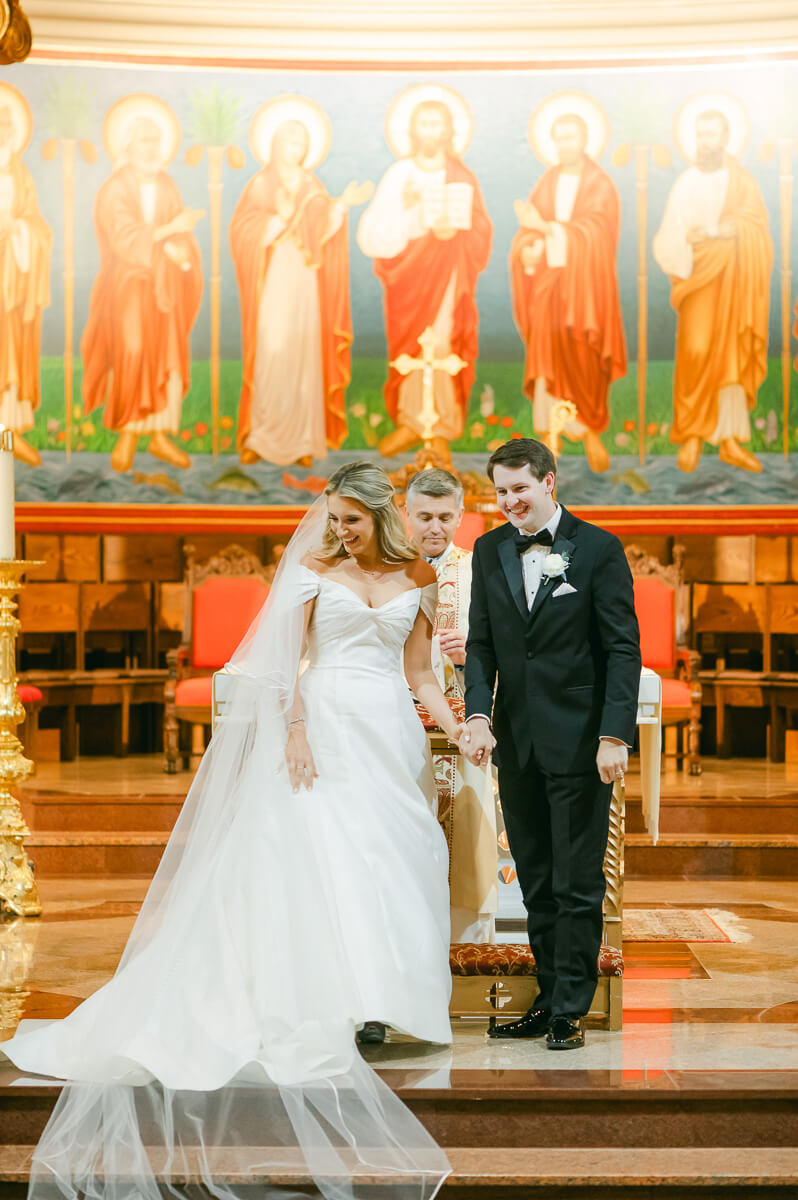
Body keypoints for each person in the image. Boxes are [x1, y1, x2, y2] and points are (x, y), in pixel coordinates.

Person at [1, 461, 457, 1200]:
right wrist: (296, 731)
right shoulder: (312, 569)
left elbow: (422, 675)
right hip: (322, 730)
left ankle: (387, 1001)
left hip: (387, 735)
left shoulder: (419, 580)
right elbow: (281, 667)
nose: (337, 529)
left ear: (382, 514)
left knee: (392, 857)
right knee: (319, 858)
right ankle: (331, 1000)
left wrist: (461, 730)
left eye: (351, 519)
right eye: (333, 517)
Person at [461, 438, 640, 1049]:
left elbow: (621, 648)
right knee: (535, 879)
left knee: (576, 881)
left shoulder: (598, 549)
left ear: (549, 483)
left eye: (520, 489)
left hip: (584, 741)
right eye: (501, 491)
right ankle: (546, 994)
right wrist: (478, 716)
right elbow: (480, 644)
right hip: (517, 740)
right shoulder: (488, 551)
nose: (510, 501)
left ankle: (572, 1008)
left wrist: (614, 732)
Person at [356, 98, 492, 460]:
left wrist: (456, 234)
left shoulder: (461, 177)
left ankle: (440, 427)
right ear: (412, 131)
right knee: (410, 349)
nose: (431, 131)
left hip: (448, 273)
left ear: (449, 131)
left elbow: (481, 229)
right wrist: (406, 206)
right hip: (407, 278)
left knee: (441, 344)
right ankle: (410, 422)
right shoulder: (400, 174)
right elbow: (372, 234)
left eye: (437, 123)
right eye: (424, 123)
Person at [230, 118, 369, 468]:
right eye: (289, 141)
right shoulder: (261, 184)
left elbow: (323, 230)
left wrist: (342, 205)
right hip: (273, 276)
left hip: (305, 279)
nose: (295, 149)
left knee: (303, 355)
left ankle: (302, 441)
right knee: (271, 352)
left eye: (300, 143)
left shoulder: (311, 185)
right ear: (275, 144)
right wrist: (275, 221)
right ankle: (260, 437)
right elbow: (241, 230)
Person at [81, 115, 204, 474]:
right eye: (144, 140)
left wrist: (182, 253)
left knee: (167, 354)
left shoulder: (167, 186)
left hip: (164, 287)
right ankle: (128, 435)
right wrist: (169, 232)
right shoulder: (114, 188)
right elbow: (123, 238)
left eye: (155, 140)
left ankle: (160, 437)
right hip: (127, 284)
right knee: (132, 351)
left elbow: (178, 234)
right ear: (128, 147)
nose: (151, 148)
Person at [405, 467, 497, 943]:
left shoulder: (481, 569)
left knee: (467, 841)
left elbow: (504, 646)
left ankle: (467, 946)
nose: (434, 527)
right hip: (401, 721)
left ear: (461, 515)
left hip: (463, 719)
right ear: (406, 514)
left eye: (444, 516)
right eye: (424, 516)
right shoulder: (387, 570)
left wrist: (471, 655)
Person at [652, 109, 772, 474]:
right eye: (701, 135)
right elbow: (669, 233)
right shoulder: (686, 182)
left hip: (736, 276)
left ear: (725, 138)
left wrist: (722, 230)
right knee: (696, 350)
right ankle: (692, 434)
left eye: (713, 134)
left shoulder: (742, 181)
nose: (707, 141)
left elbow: (756, 227)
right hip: (698, 276)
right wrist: (686, 239)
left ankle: (730, 440)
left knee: (732, 356)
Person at [510, 112, 626, 473]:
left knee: (583, 358)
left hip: (586, 292)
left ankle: (588, 431)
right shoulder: (547, 183)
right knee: (546, 356)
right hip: (548, 289)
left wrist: (545, 229)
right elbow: (528, 234)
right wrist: (528, 252)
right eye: (558, 138)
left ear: (585, 141)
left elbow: (597, 234)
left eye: (571, 138)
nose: (564, 145)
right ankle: (545, 439)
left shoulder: (599, 184)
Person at [0, 103, 52, 467]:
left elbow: (36, 225)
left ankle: (7, 434)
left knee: (10, 352)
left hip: (11, 280)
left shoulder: (21, 175)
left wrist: (17, 231)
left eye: (6, 126)